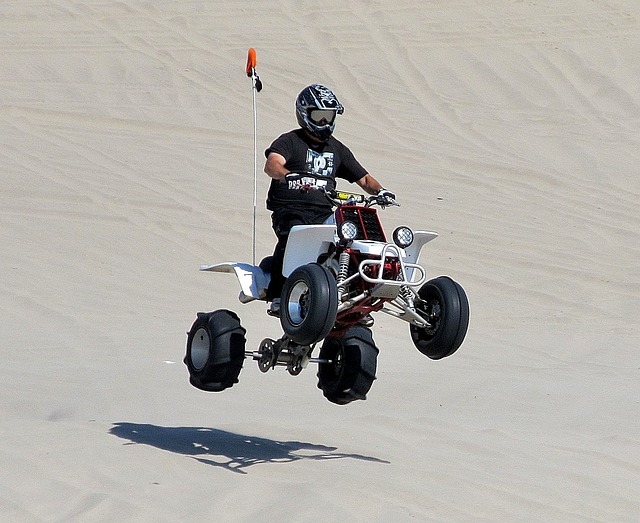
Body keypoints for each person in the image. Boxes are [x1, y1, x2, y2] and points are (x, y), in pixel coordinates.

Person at [263, 83, 395, 315]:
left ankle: (356, 291)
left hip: (325, 212)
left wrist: (381, 191)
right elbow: (272, 164)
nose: (325, 122)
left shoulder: (336, 149)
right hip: (291, 210)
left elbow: (364, 179)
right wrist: (289, 176)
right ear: (305, 114)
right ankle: (278, 294)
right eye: (320, 116)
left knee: (351, 239)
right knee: (295, 236)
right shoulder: (290, 141)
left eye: (329, 116)